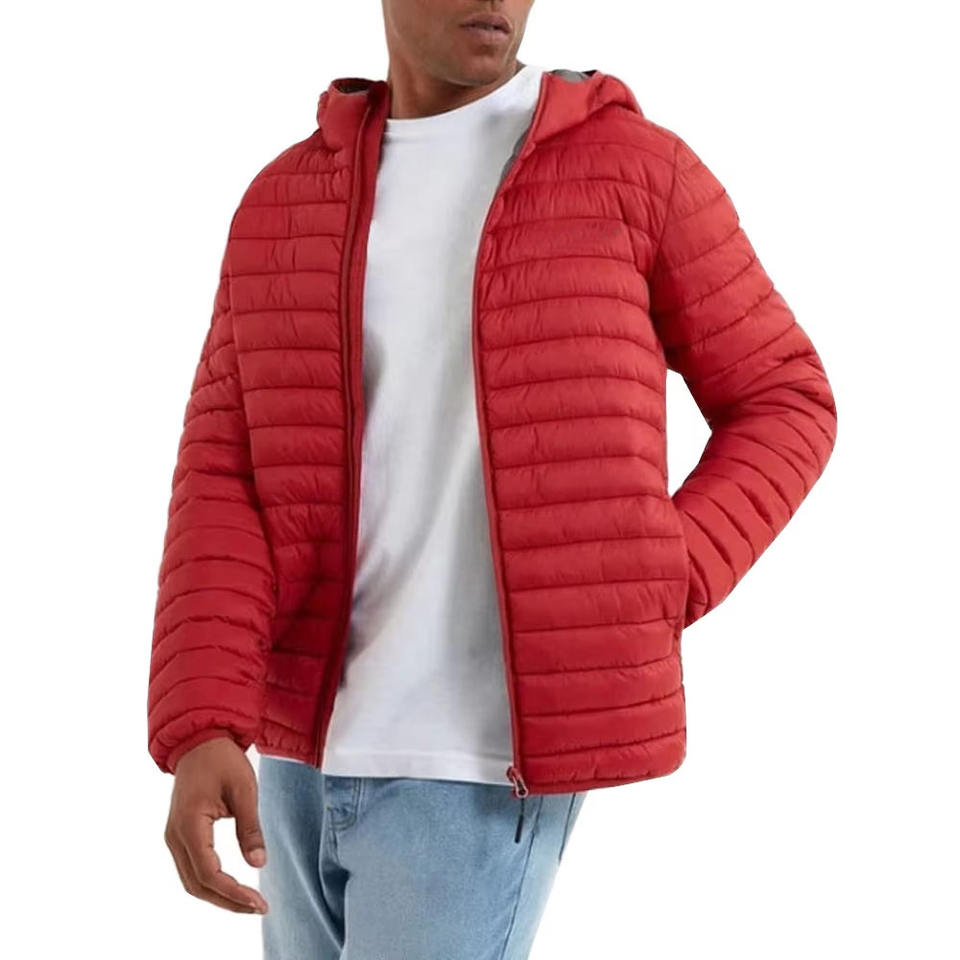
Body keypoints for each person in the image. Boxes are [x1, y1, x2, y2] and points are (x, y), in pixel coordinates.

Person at [147, 1, 838, 956]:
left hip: (478, 761)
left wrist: (657, 574)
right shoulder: (285, 201)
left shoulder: (636, 172)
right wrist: (202, 722)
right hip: (298, 748)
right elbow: (225, 471)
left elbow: (783, 397)